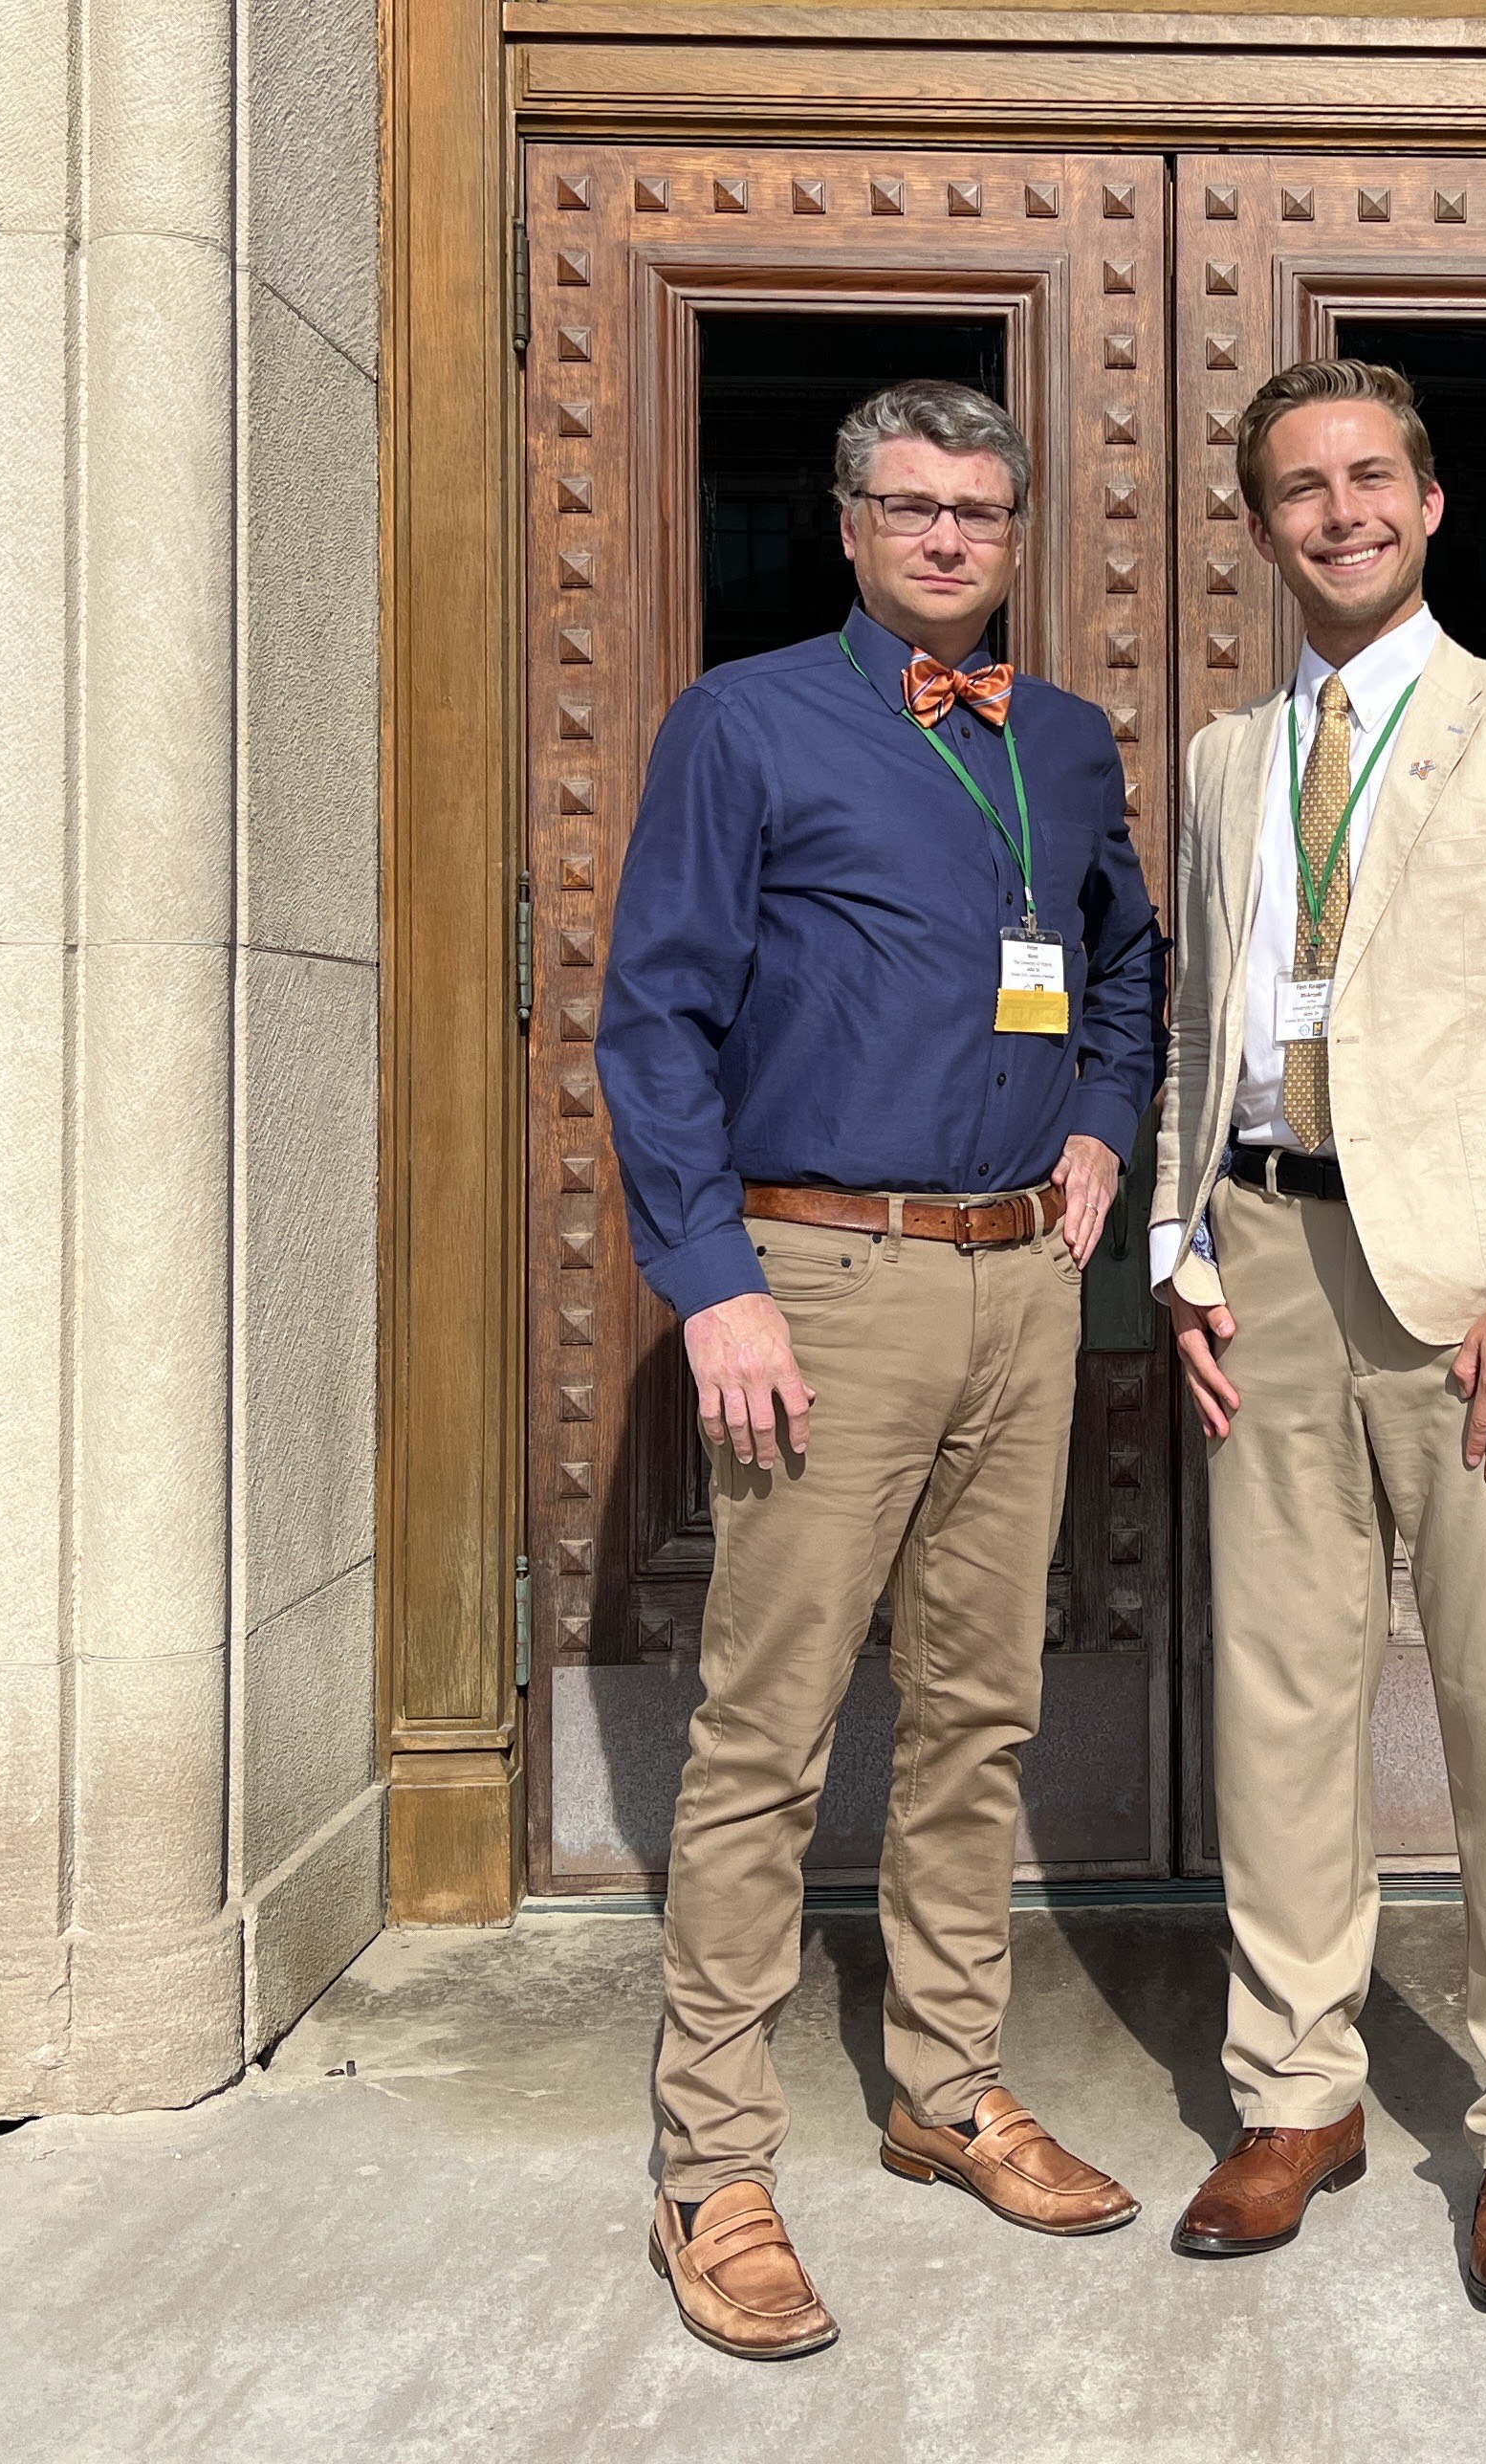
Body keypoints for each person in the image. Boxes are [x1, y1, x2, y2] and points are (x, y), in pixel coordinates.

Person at [598, 378, 1163, 2361]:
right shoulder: (742, 723)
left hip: (1025, 1281)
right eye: (910, 508)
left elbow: (1122, 960)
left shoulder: (1068, 746)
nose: (945, 539)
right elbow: (652, 1015)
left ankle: (942, 2086)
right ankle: (714, 2162)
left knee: (978, 1711)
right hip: (820, 1277)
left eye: (979, 514)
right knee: (766, 1736)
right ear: (846, 525)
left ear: (1015, 538)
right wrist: (711, 1278)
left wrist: (1103, 1126)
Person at [1147, 357, 1486, 2316]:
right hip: (1266, 1265)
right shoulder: (1216, 758)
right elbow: (1206, 1021)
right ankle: (1298, 2093)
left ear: (1430, 505)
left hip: (1472, 1298)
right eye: (1298, 486)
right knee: (1280, 1709)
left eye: (1371, 477)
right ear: (1261, 524)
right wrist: (1181, 1250)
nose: (1339, 511)